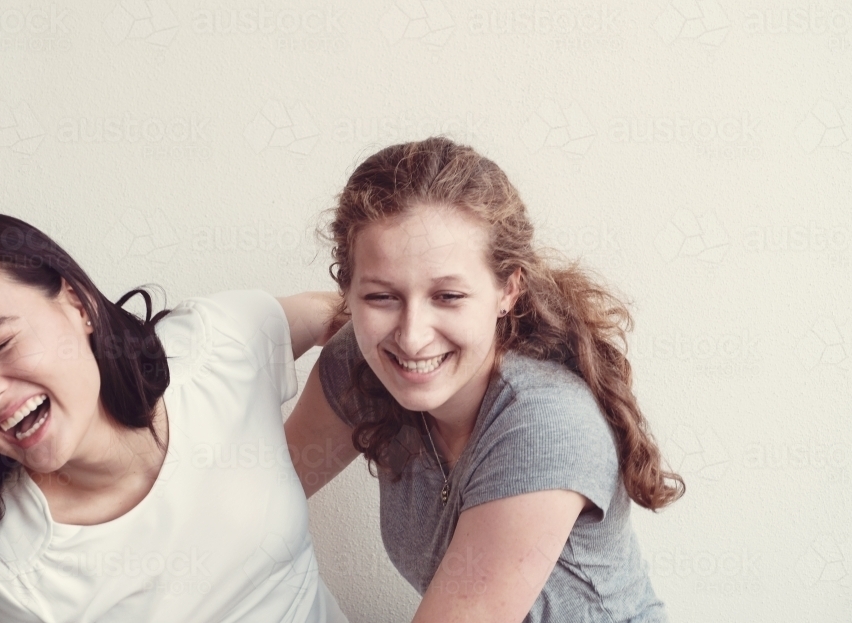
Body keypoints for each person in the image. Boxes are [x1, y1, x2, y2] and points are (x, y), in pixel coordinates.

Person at [285, 137, 685, 622]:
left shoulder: (544, 424)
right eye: (382, 297)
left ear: (507, 290)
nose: (412, 338)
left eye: (448, 296)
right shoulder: (362, 358)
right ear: (348, 290)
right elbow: (250, 502)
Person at [0, 212, 348, 623]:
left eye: (0, 344)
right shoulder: (14, 568)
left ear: (77, 304)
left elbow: (353, 317)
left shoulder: (219, 346)